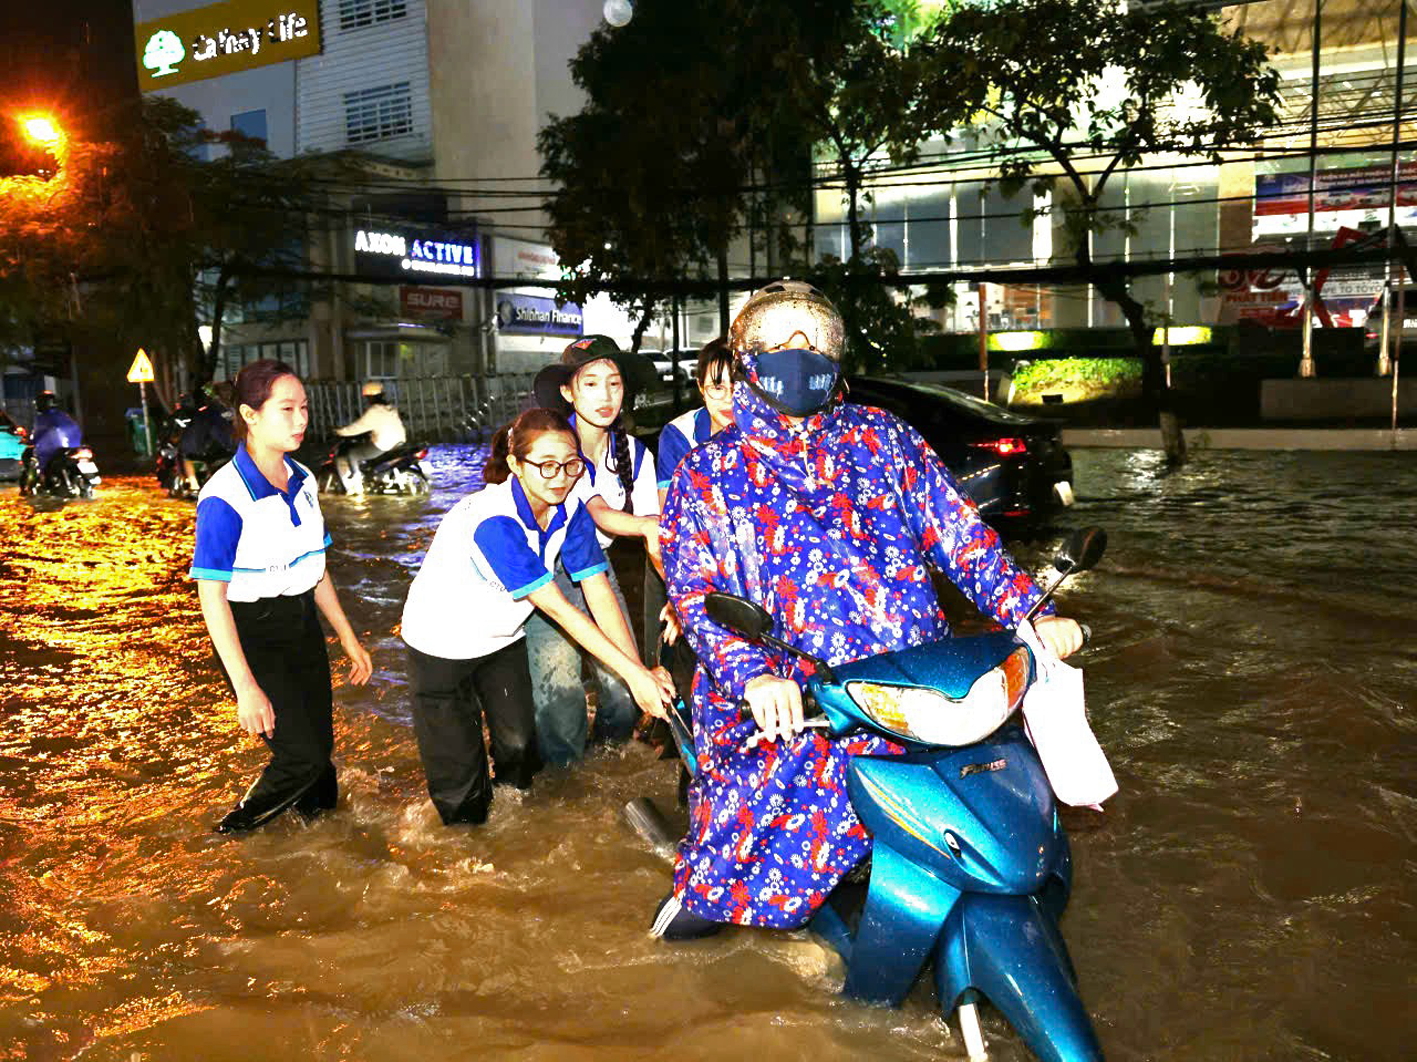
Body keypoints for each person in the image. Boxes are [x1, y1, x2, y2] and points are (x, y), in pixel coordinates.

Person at [652, 281, 1084, 939]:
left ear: (838, 353)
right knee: (717, 891)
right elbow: (694, 594)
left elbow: (961, 537)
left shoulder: (884, 438)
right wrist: (753, 676)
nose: (798, 351)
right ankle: (700, 905)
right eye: (778, 340)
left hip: (911, 682)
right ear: (745, 356)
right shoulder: (708, 471)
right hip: (792, 694)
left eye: (815, 338)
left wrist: (1029, 612)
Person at [400, 407, 675, 825]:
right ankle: (467, 852)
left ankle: (521, 830)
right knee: (460, 783)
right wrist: (637, 678)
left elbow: (598, 591)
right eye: (546, 466)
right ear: (515, 465)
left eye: (570, 464)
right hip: (441, 645)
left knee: (520, 750)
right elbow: (558, 608)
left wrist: (639, 669)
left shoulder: (570, 507)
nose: (561, 476)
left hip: (501, 637)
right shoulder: (493, 521)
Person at [191, 359, 373, 835]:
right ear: (250, 416)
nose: (300, 420)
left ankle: (321, 853)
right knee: (301, 756)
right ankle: (228, 835)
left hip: (301, 628)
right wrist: (245, 687)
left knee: (321, 761)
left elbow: (316, 569)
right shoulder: (223, 498)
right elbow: (212, 597)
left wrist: (348, 639)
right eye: (286, 409)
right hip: (253, 635)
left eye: (305, 408)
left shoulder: (305, 481)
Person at [526, 335, 660, 765]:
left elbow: (655, 535)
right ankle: (562, 797)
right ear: (568, 391)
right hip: (544, 580)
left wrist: (679, 600)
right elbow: (598, 513)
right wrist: (643, 527)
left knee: (624, 693)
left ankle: (603, 784)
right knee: (561, 710)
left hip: (597, 574)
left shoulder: (636, 455)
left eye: (615, 384)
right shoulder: (553, 448)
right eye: (591, 383)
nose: (605, 396)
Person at [655, 337, 736, 508]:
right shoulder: (678, 435)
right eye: (717, 388)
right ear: (700, 387)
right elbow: (670, 511)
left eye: (738, 388)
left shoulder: (771, 433)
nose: (729, 399)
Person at [333, 381, 407, 493]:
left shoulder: (374, 411)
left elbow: (357, 427)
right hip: (399, 441)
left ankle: (356, 483)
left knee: (352, 454)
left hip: (384, 444)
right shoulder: (390, 407)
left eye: (367, 397)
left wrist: (340, 432)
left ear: (370, 397)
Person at [179, 383, 237, 491]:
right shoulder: (218, 410)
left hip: (219, 447)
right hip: (220, 446)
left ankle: (194, 484)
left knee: (187, 456)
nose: (227, 394)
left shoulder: (214, 411)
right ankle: (194, 484)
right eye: (225, 391)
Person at [29, 390, 83, 476]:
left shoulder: (43, 418)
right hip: (73, 447)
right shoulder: (63, 415)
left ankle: (45, 478)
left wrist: (31, 441)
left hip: (54, 450)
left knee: (43, 464)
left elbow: (38, 433)